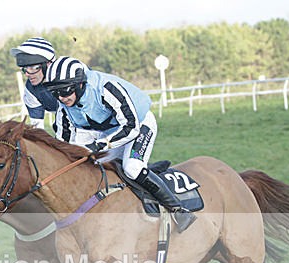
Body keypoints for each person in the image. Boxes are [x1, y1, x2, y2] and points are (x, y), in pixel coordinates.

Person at [43, 56, 195, 232]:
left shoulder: (106, 89)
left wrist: (101, 145)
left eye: (65, 91)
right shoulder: (63, 106)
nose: (61, 98)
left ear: (80, 84)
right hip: (103, 130)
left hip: (138, 124)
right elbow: (65, 146)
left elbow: (131, 128)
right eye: (55, 93)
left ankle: (178, 209)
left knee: (132, 168)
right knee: (82, 166)